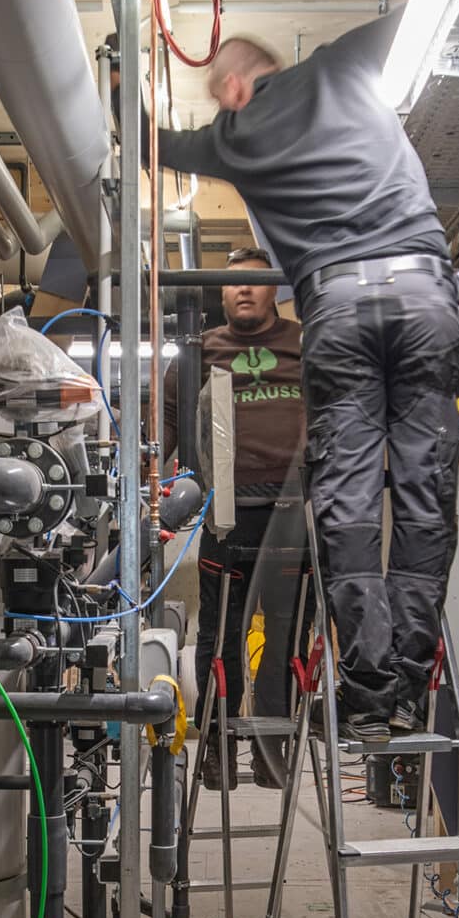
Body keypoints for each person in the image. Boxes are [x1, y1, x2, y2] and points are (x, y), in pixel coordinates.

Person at [151, 14, 459, 742]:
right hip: (424, 291)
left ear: (231, 86)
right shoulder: (343, 62)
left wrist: (114, 90)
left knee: (350, 504)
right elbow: (421, 9)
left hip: (339, 306)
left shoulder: (231, 137)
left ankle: (368, 695)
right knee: (424, 499)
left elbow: (150, 142)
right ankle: (413, 688)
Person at [164, 246, 309, 790]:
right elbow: (167, 429)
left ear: (276, 290)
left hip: (294, 511)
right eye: (233, 284)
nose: (244, 290)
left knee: (286, 636)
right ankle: (218, 749)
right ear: (220, 293)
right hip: (225, 514)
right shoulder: (199, 354)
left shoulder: (304, 346)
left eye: (256, 282)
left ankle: (273, 750)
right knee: (219, 638)